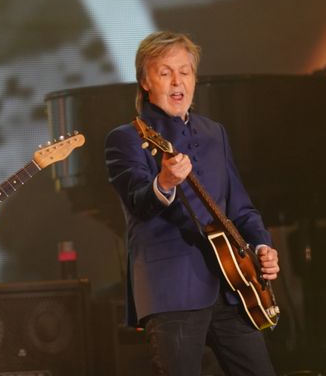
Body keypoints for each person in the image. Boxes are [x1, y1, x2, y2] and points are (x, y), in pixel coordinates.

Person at [104, 31, 280, 375]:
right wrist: (164, 182)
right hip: (172, 289)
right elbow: (138, 202)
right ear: (145, 81)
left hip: (233, 287)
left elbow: (241, 209)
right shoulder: (126, 138)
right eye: (165, 72)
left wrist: (262, 246)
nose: (177, 81)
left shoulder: (215, 132)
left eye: (185, 72)